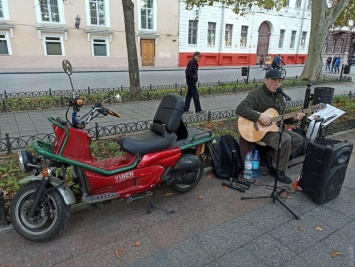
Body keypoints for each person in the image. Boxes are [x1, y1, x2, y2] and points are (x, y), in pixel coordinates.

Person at [236, 69, 305, 184]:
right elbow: (240, 109)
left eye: (279, 81)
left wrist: (294, 119)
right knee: (285, 139)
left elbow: (283, 117)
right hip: (259, 131)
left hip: (274, 128)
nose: (276, 84)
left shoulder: (280, 96)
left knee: (298, 140)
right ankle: (278, 171)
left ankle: (272, 159)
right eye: (273, 81)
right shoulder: (256, 94)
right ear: (265, 80)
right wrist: (259, 117)